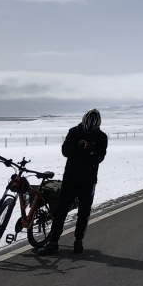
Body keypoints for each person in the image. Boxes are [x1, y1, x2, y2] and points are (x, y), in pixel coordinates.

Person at [38, 108, 108, 256]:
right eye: (87, 130)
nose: (89, 133)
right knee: (61, 210)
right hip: (70, 177)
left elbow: (99, 158)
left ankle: (78, 240)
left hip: (88, 180)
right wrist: (77, 146)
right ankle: (53, 242)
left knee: (84, 212)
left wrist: (90, 149)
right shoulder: (73, 132)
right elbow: (65, 151)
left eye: (92, 131)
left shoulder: (101, 137)